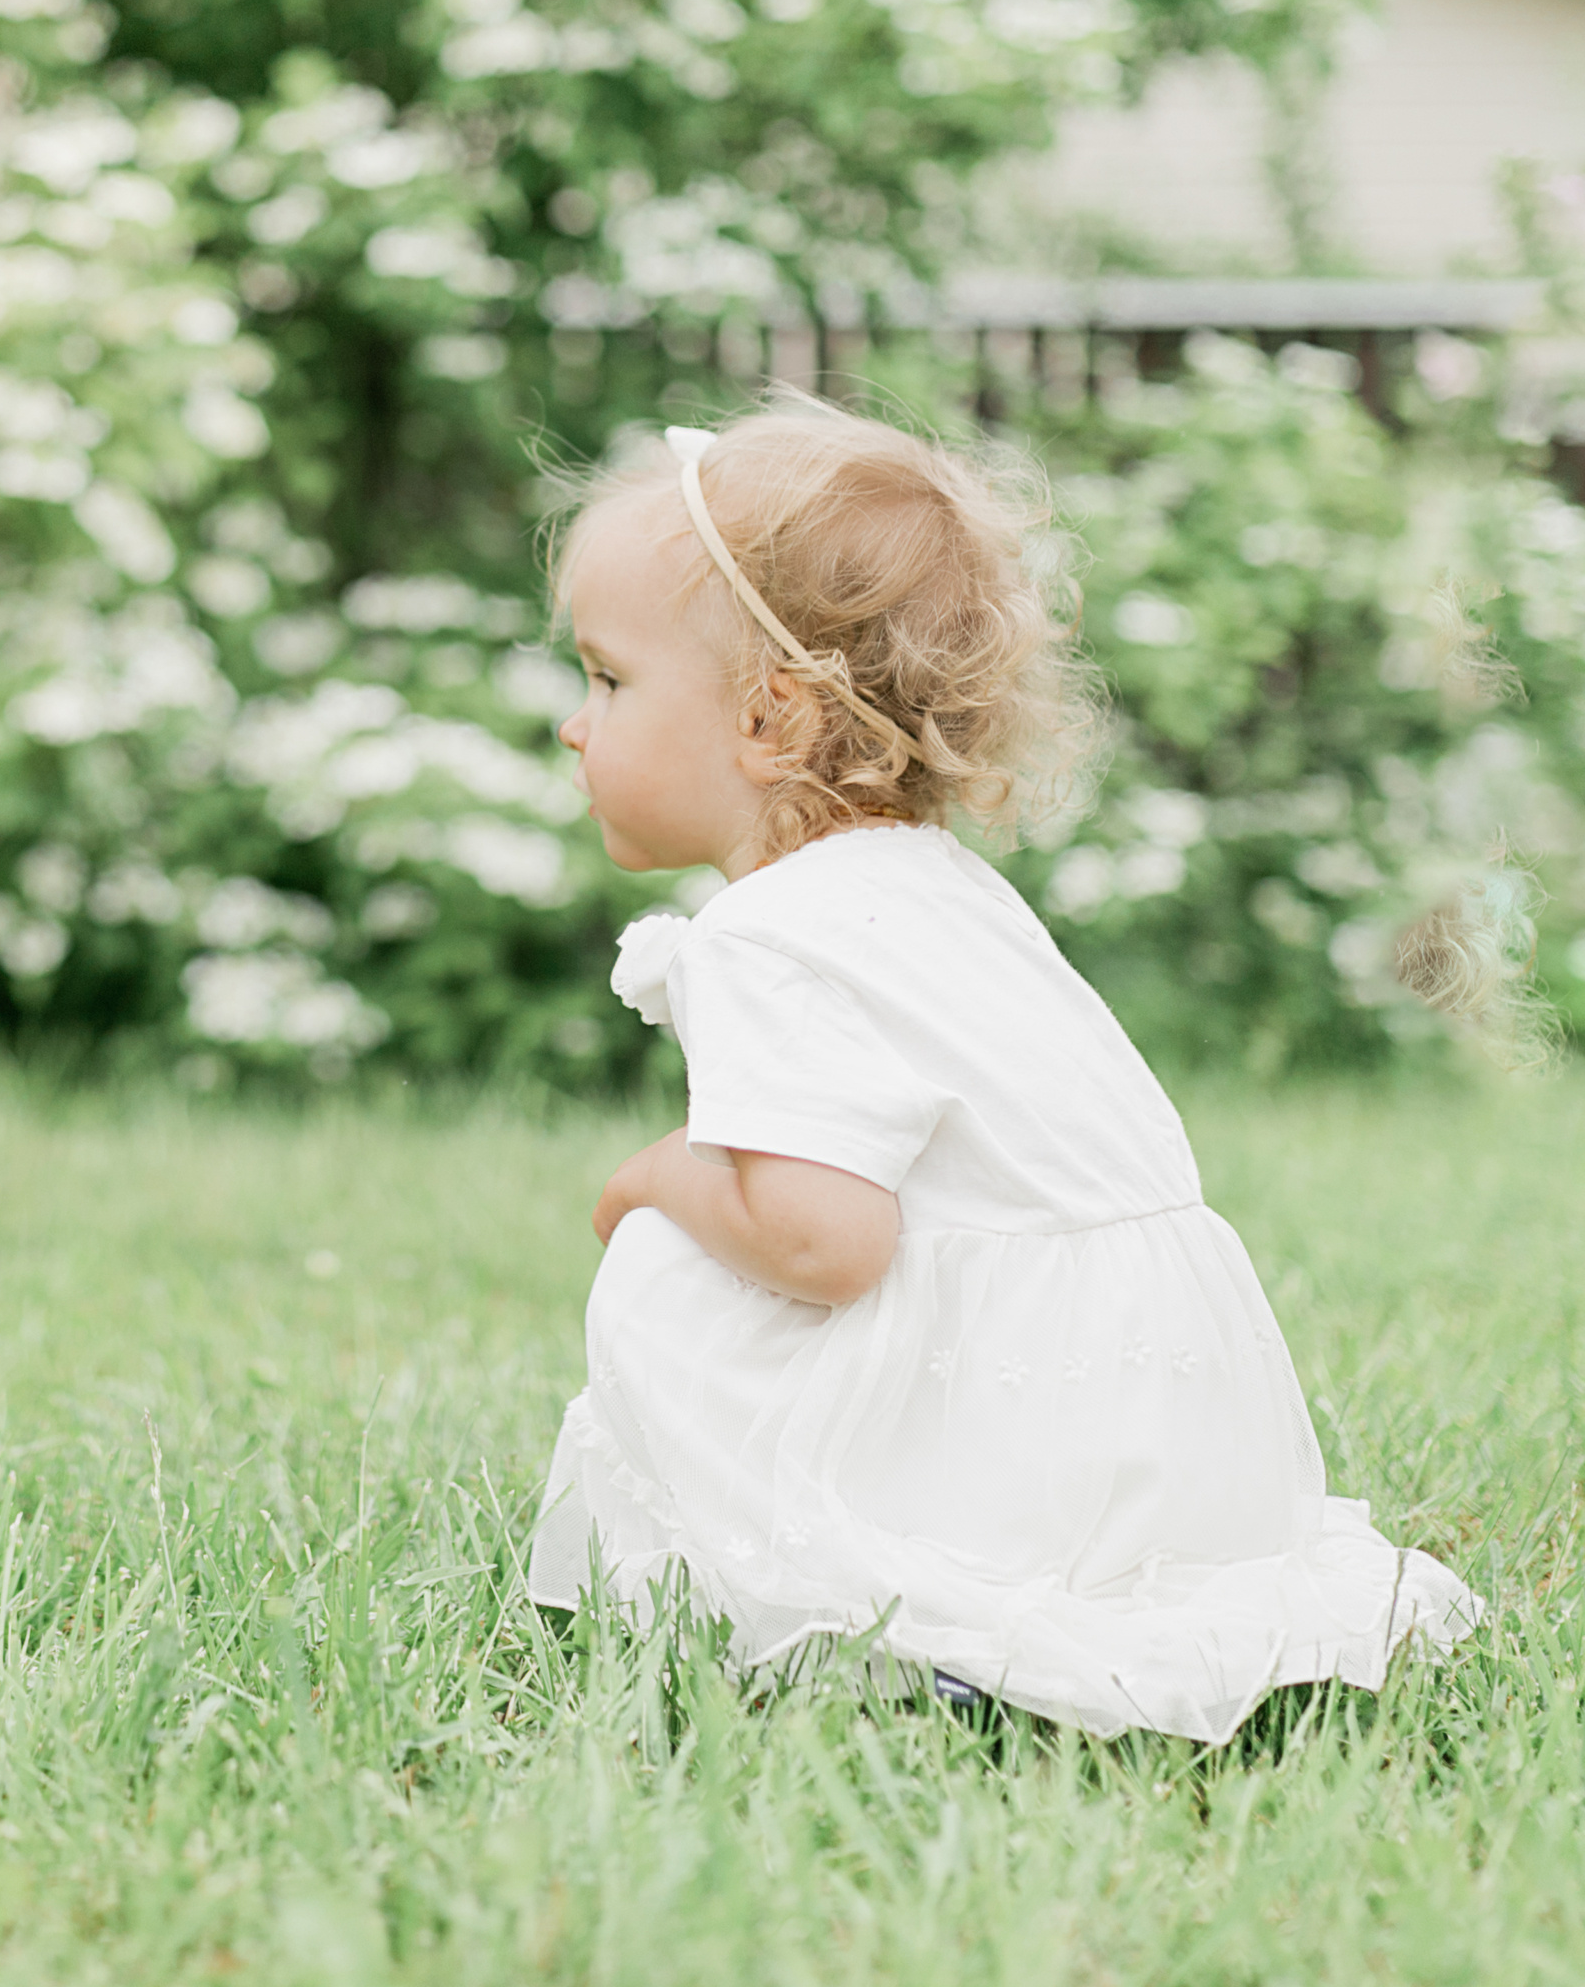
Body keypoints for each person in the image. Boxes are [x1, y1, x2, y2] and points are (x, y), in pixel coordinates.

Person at [526, 394, 1481, 1743]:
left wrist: (665, 1176)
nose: (577, 725)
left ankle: (872, 1607)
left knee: (677, 1248)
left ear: (773, 721)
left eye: (608, 679)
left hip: (1017, 1441)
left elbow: (826, 1240)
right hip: (1164, 1412)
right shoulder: (939, 890)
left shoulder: (770, 937)